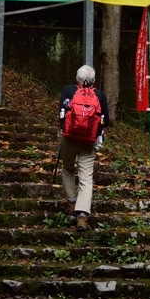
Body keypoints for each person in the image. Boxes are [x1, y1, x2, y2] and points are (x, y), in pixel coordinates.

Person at [59, 65, 110, 232]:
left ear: (77, 79)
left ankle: (72, 202)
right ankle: (82, 218)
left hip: (69, 139)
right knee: (86, 178)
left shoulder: (67, 90)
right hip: (89, 141)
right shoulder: (100, 95)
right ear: (94, 80)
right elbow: (106, 121)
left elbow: (61, 115)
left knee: (67, 169)